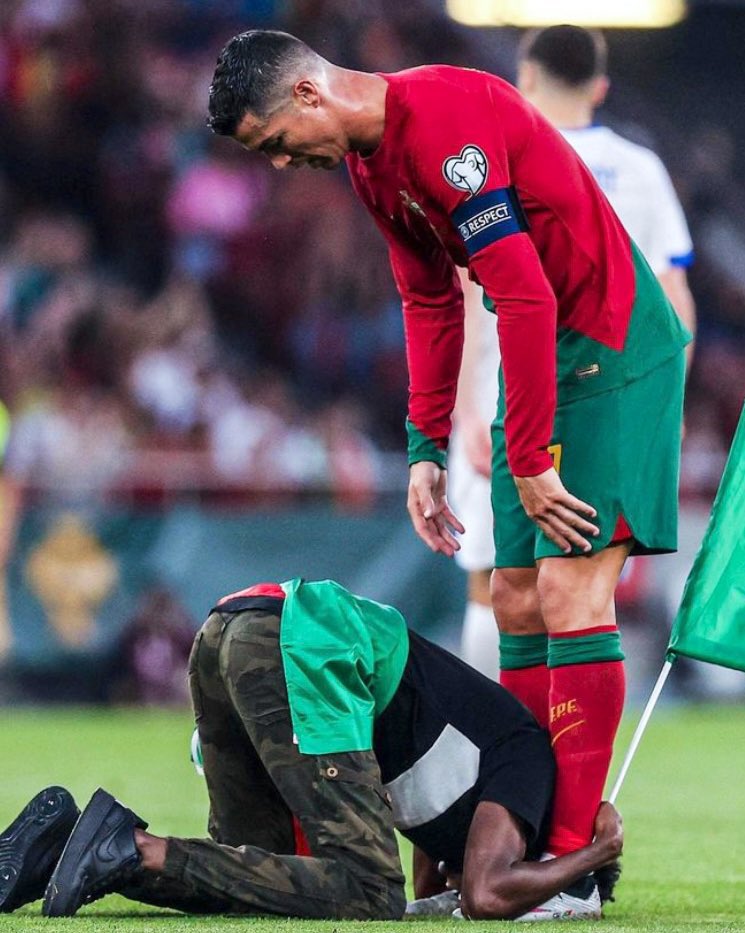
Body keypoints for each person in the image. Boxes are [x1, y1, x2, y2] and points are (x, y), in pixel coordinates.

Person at [206, 30, 689, 872]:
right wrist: (424, 443)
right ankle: (522, 832)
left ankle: (568, 864)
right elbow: (428, 298)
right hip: (537, 367)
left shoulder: (445, 123)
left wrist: (531, 455)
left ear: (309, 95)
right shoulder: (370, 167)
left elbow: (524, 291)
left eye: (276, 144)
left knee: (571, 588)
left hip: (610, 354)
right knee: (511, 596)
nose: (282, 166)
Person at [1, 580, 622, 920]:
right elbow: (487, 894)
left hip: (229, 632)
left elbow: (446, 883)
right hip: (305, 648)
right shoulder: (529, 762)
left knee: (262, 885)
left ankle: (61, 847)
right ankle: (132, 847)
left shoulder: (464, 800)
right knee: (373, 897)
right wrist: (592, 854)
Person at [448, 24, 696, 679]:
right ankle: (575, 756)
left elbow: (471, 292)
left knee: (496, 582)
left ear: (523, 78)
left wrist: (464, 410)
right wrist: (657, 412)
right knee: (585, 589)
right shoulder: (641, 170)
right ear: (600, 87)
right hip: (610, 399)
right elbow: (673, 301)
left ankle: (500, 756)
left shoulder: (498, 159)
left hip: (507, 393)